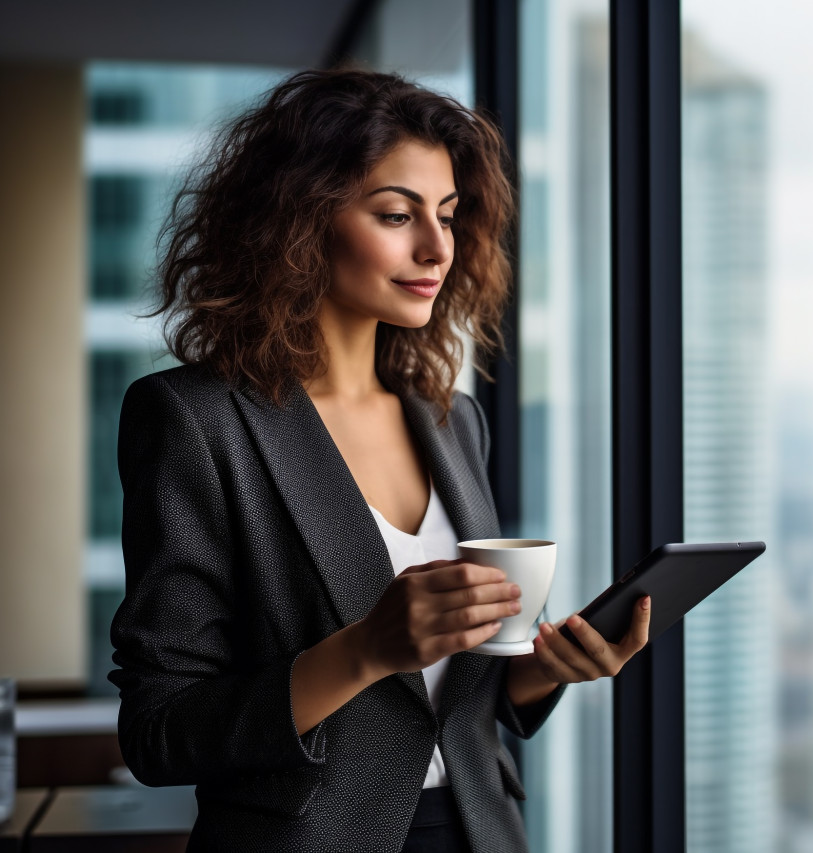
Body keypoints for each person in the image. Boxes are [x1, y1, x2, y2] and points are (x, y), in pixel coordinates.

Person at [109, 68, 651, 853]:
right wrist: (363, 649)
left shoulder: (452, 420)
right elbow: (159, 731)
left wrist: (546, 669)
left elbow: (445, 702)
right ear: (297, 223)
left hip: (478, 830)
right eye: (397, 214)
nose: (436, 247)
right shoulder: (196, 420)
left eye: (450, 215)